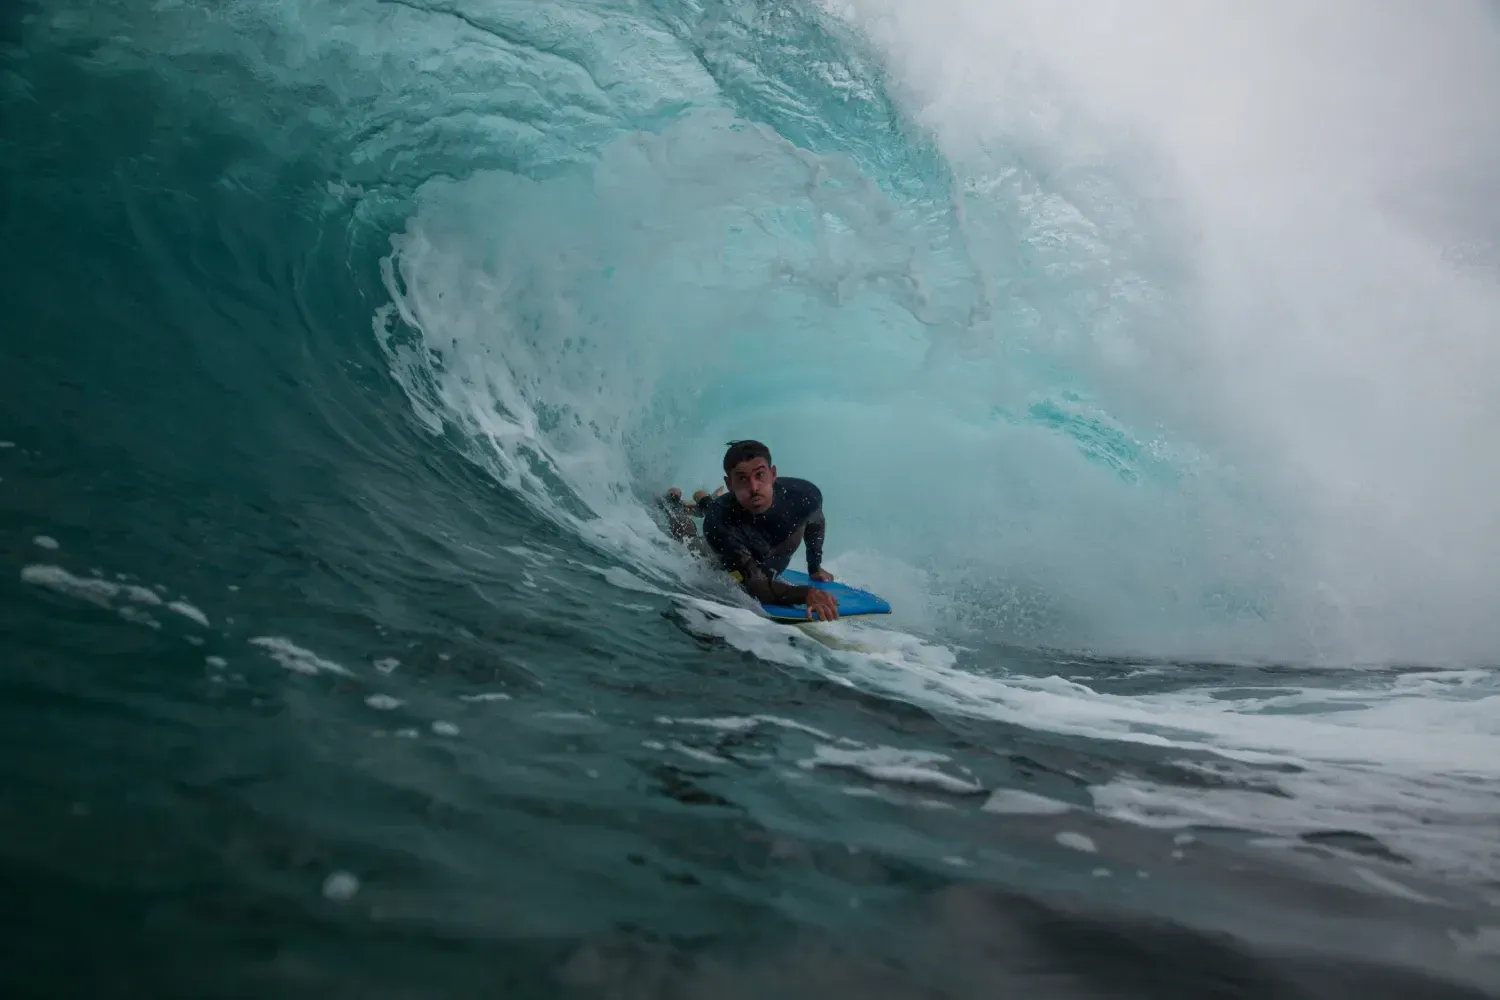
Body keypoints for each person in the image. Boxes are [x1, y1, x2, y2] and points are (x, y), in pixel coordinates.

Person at [698, 440, 840, 621]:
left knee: (717, 507)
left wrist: (814, 566)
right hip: (722, 556)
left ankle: (702, 497)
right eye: (742, 478)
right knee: (686, 536)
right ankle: (675, 501)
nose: (754, 487)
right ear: (729, 484)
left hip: (735, 516)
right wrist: (805, 594)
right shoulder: (719, 521)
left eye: (760, 475)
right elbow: (755, 586)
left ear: (773, 474)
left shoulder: (802, 496)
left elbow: (815, 521)